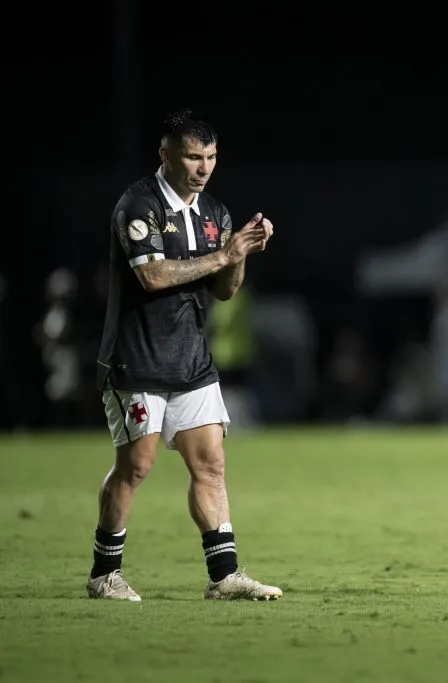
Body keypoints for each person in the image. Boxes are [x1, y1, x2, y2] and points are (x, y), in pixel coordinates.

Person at [90, 109, 282, 601]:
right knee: (136, 465)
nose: (203, 167)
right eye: (193, 157)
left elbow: (222, 291)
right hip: (137, 359)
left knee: (211, 466)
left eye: (211, 157)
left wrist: (237, 254)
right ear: (166, 154)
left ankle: (225, 576)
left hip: (191, 361)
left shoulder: (214, 213)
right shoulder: (139, 205)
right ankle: (104, 573)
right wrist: (222, 255)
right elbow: (151, 276)